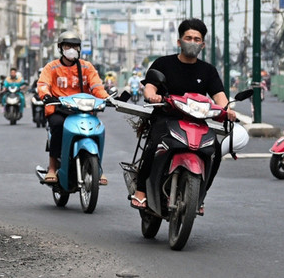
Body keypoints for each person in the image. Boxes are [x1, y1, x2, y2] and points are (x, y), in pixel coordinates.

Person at [130, 19, 234, 211]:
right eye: (188, 38)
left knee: (215, 152)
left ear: (202, 45)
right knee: (153, 144)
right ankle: (142, 190)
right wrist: (152, 95)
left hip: (198, 123)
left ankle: (200, 196)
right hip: (167, 118)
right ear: (179, 42)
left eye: (197, 39)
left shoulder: (208, 71)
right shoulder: (163, 63)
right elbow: (150, 86)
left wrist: (228, 111)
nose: (192, 42)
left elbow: (220, 97)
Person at [36, 33, 109, 184]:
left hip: (83, 110)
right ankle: (51, 167)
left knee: (97, 128)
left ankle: (98, 168)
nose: (71, 49)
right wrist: (46, 96)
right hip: (59, 109)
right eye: (67, 46)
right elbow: (43, 84)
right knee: (57, 126)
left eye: (75, 46)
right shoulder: (52, 67)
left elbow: (97, 86)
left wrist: (107, 98)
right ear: (60, 48)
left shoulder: (86, 67)